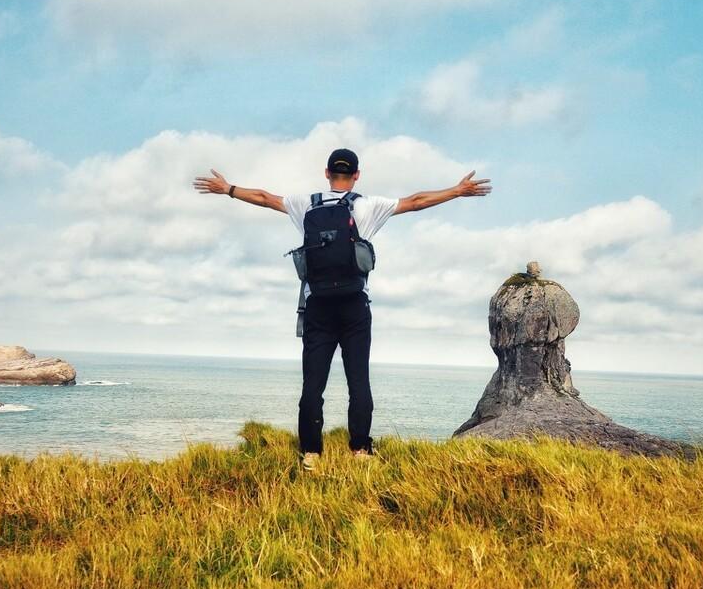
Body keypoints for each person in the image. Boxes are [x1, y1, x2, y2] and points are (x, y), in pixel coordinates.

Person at [193, 148, 491, 470]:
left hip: (318, 305)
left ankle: (311, 453)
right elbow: (416, 201)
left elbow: (265, 197)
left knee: (313, 383)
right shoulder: (368, 205)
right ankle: (360, 450)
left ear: (327, 173)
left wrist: (229, 190)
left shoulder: (307, 204)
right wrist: (457, 191)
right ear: (357, 175)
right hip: (354, 307)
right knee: (358, 380)